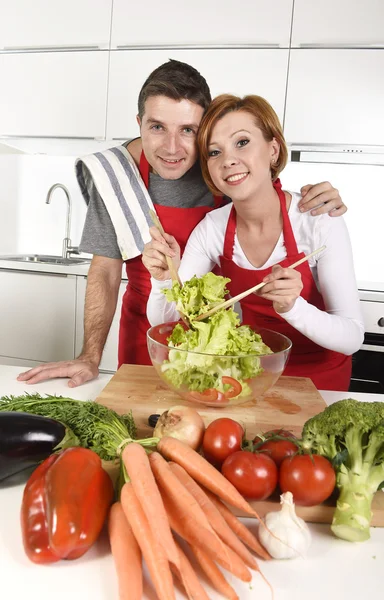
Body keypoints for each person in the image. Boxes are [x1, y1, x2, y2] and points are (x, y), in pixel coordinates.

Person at [18, 61, 347, 388]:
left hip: (220, 342)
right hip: (150, 330)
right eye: (157, 127)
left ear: (205, 130)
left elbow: (267, 192)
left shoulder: (223, 169)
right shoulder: (115, 176)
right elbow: (104, 269)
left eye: (188, 130)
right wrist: (90, 356)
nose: (172, 148)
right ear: (139, 123)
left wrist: (320, 198)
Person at [143, 94, 364, 391]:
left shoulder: (318, 220)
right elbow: (167, 321)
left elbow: (352, 337)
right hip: (251, 381)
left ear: (273, 149)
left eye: (242, 142)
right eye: (214, 152)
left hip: (319, 384)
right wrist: (164, 279)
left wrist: (293, 307)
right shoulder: (213, 228)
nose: (228, 159)